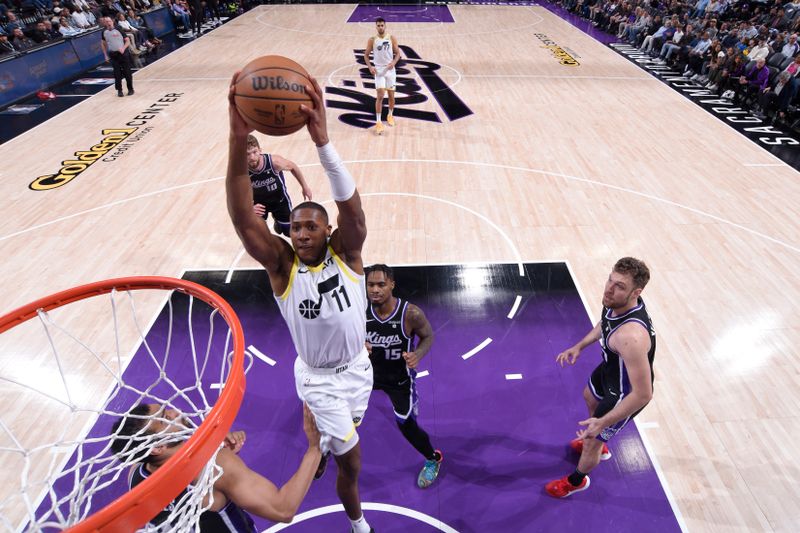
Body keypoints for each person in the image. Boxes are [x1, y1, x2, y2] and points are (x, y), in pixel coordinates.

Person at [225, 74, 374, 533]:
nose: (302, 233)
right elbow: (242, 219)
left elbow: (353, 209)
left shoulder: (348, 253)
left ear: (326, 231)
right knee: (353, 466)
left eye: (311, 227)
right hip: (321, 384)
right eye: (295, 228)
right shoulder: (284, 267)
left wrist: (323, 143)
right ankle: (359, 525)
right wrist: (236, 140)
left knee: (343, 442)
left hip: (358, 369)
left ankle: (327, 444)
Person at [110, 403, 322, 529]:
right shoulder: (217, 466)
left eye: (166, 410)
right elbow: (283, 509)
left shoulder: (135, 474)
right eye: (165, 419)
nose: (174, 412)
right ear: (158, 447)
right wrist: (315, 448)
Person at [546, 257, 656, 498]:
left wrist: (602, 423)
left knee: (592, 441)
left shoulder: (632, 337)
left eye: (619, 286)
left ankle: (576, 480)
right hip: (610, 369)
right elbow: (605, 323)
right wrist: (580, 346)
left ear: (635, 292)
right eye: (610, 280)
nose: (609, 289)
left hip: (626, 392)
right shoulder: (615, 301)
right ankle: (598, 438)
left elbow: (644, 394)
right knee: (588, 395)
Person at [365, 264, 443, 488]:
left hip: (398, 379)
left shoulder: (411, 313)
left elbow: (428, 336)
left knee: (406, 425)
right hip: (365, 376)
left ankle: (433, 458)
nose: (376, 290)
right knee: (342, 413)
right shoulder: (359, 312)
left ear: (392, 285)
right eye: (371, 285)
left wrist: (417, 354)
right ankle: (325, 452)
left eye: (381, 284)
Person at [246, 134, 312, 237]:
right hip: (259, 204)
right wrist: (249, 207)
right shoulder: (241, 170)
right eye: (247, 154)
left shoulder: (274, 162)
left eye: (254, 152)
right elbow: (236, 193)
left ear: (260, 150)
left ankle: (279, 221)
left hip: (280, 201)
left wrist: (305, 187)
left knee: (289, 233)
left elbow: (293, 167)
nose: (252, 157)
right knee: (257, 234)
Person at [364, 17, 399, 135]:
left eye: (382, 25)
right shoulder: (372, 40)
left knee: (391, 96)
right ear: (376, 26)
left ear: (385, 26)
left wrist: (393, 63)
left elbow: (398, 53)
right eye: (378, 25)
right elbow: (366, 55)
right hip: (379, 71)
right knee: (380, 96)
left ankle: (390, 115)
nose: (380, 27)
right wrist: (370, 67)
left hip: (390, 70)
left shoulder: (391, 38)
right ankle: (378, 122)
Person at [100, 16, 134, 97]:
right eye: (106, 22)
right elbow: (103, 44)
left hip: (123, 54)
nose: (108, 23)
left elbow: (127, 41)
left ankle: (130, 89)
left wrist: (123, 48)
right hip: (113, 55)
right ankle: (119, 90)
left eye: (109, 21)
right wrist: (105, 55)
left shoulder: (119, 29)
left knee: (127, 72)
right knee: (117, 74)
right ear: (104, 23)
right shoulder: (104, 32)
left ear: (112, 21)